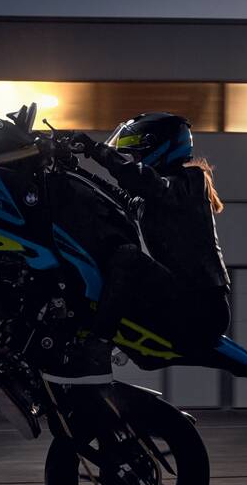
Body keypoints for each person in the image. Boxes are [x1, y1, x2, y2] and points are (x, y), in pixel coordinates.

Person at [70, 112, 230, 377]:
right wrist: (75, 171)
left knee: (128, 257)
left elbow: (141, 180)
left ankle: (97, 345)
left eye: (137, 153)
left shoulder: (191, 181)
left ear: (160, 148)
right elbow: (123, 198)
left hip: (203, 309)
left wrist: (93, 149)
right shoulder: (160, 194)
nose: (135, 159)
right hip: (181, 299)